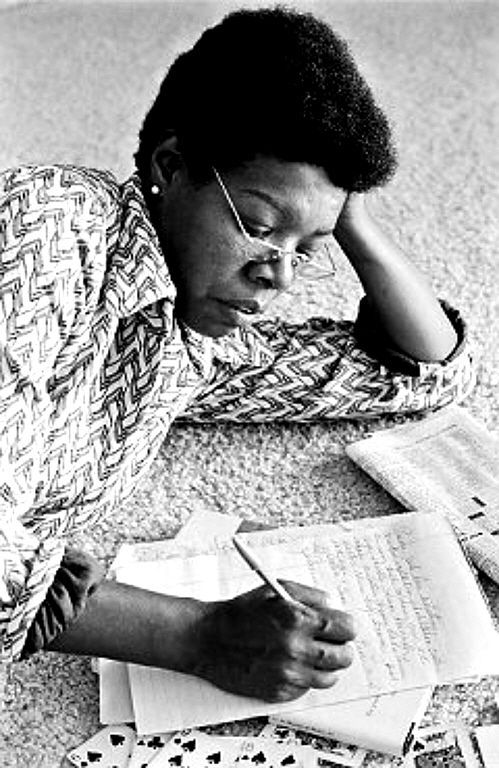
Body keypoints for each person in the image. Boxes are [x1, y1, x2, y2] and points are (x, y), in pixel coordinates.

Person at [0, 6, 474, 704]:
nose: (278, 275)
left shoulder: (186, 330)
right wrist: (194, 635)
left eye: (305, 251)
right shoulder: (46, 226)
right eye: (256, 226)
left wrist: (343, 217)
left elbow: (414, 371)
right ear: (172, 165)